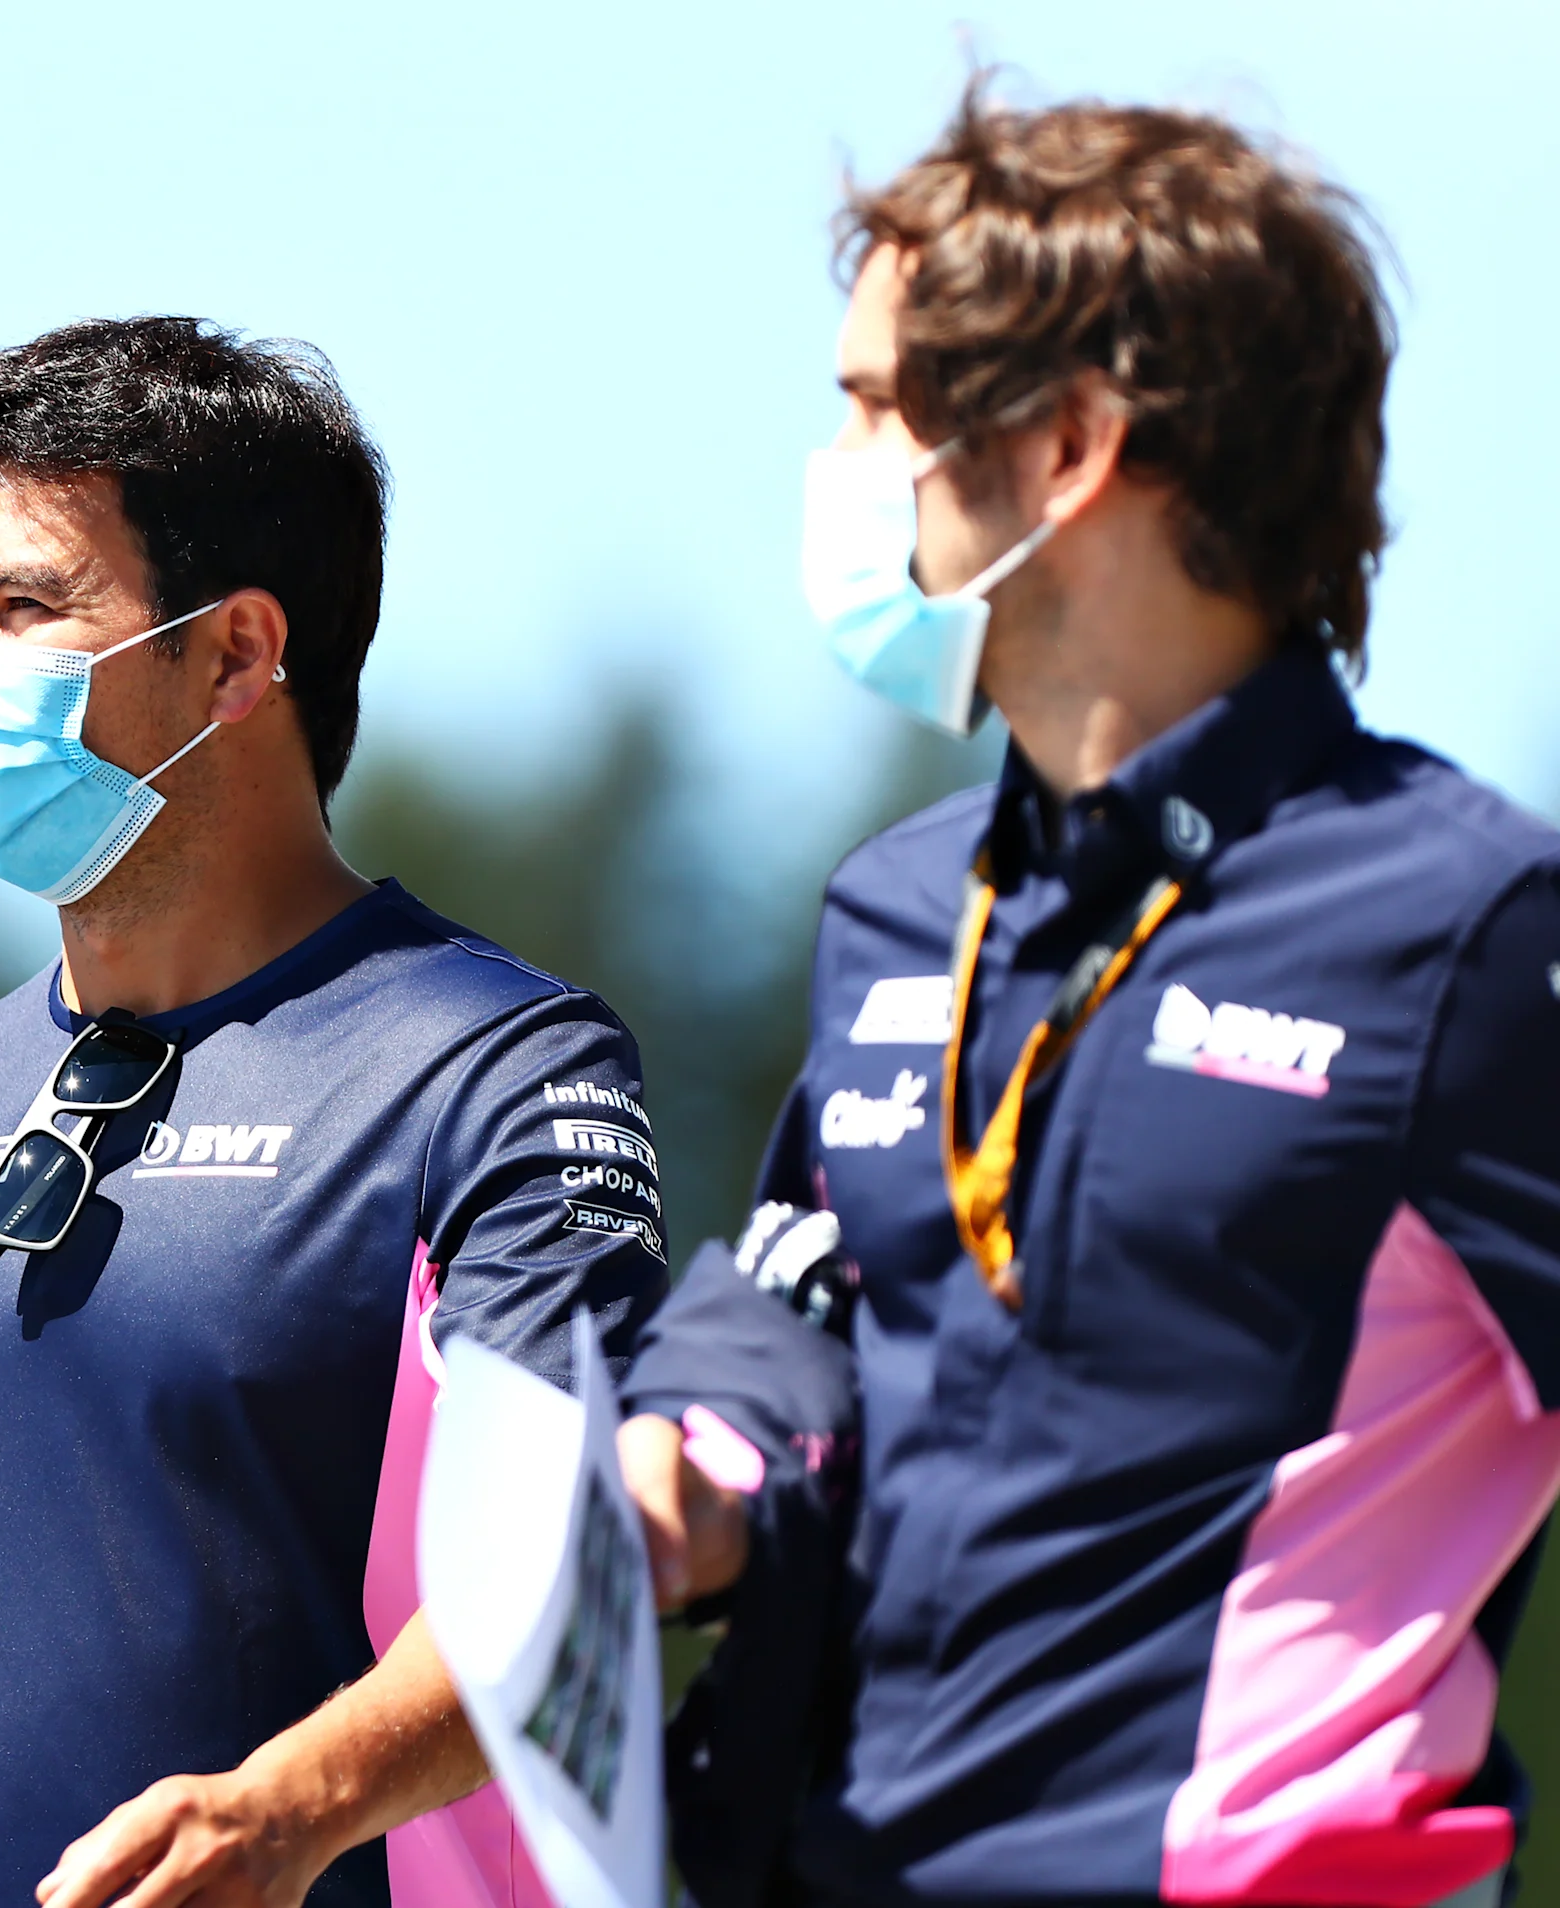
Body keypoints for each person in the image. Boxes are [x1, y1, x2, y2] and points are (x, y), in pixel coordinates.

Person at [617, 86, 1560, 1908]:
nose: (840, 466)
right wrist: (672, 1472)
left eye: (877, 408)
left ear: (1066, 448)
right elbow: (814, 1311)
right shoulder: (898, 907)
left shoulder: (1465, 920)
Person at [0, 316, 670, 1908]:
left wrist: (283, 1817)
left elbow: (572, 1574)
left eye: (28, 609)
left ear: (237, 653)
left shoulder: (504, 1067)